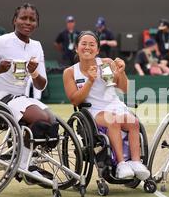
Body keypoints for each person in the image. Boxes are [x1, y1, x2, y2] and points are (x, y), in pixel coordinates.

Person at [0, 3, 55, 181]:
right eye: (23, 18)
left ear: (37, 23)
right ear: (14, 20)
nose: (27, 22)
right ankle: (22, 164)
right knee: (40, 118)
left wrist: (34, 71)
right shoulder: (0, 42)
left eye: (32, 19)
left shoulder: (36, 46)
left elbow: (41, 85)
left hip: (20, 98)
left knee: (51, 119)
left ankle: (21, 156)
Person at [62, 31, 150, 180]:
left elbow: (124, 88)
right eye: (83, 44)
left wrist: (121, 73)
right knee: (113, 121)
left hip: (114, 104)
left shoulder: (106, 63)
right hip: (92, 110)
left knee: (134, 122)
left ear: (97, 50)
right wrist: (90, 80)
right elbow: (75, 100)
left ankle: (136, 162)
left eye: (92, 45)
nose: (87, 47)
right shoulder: (70, 72)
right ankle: (121, 164)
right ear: (76, 48)